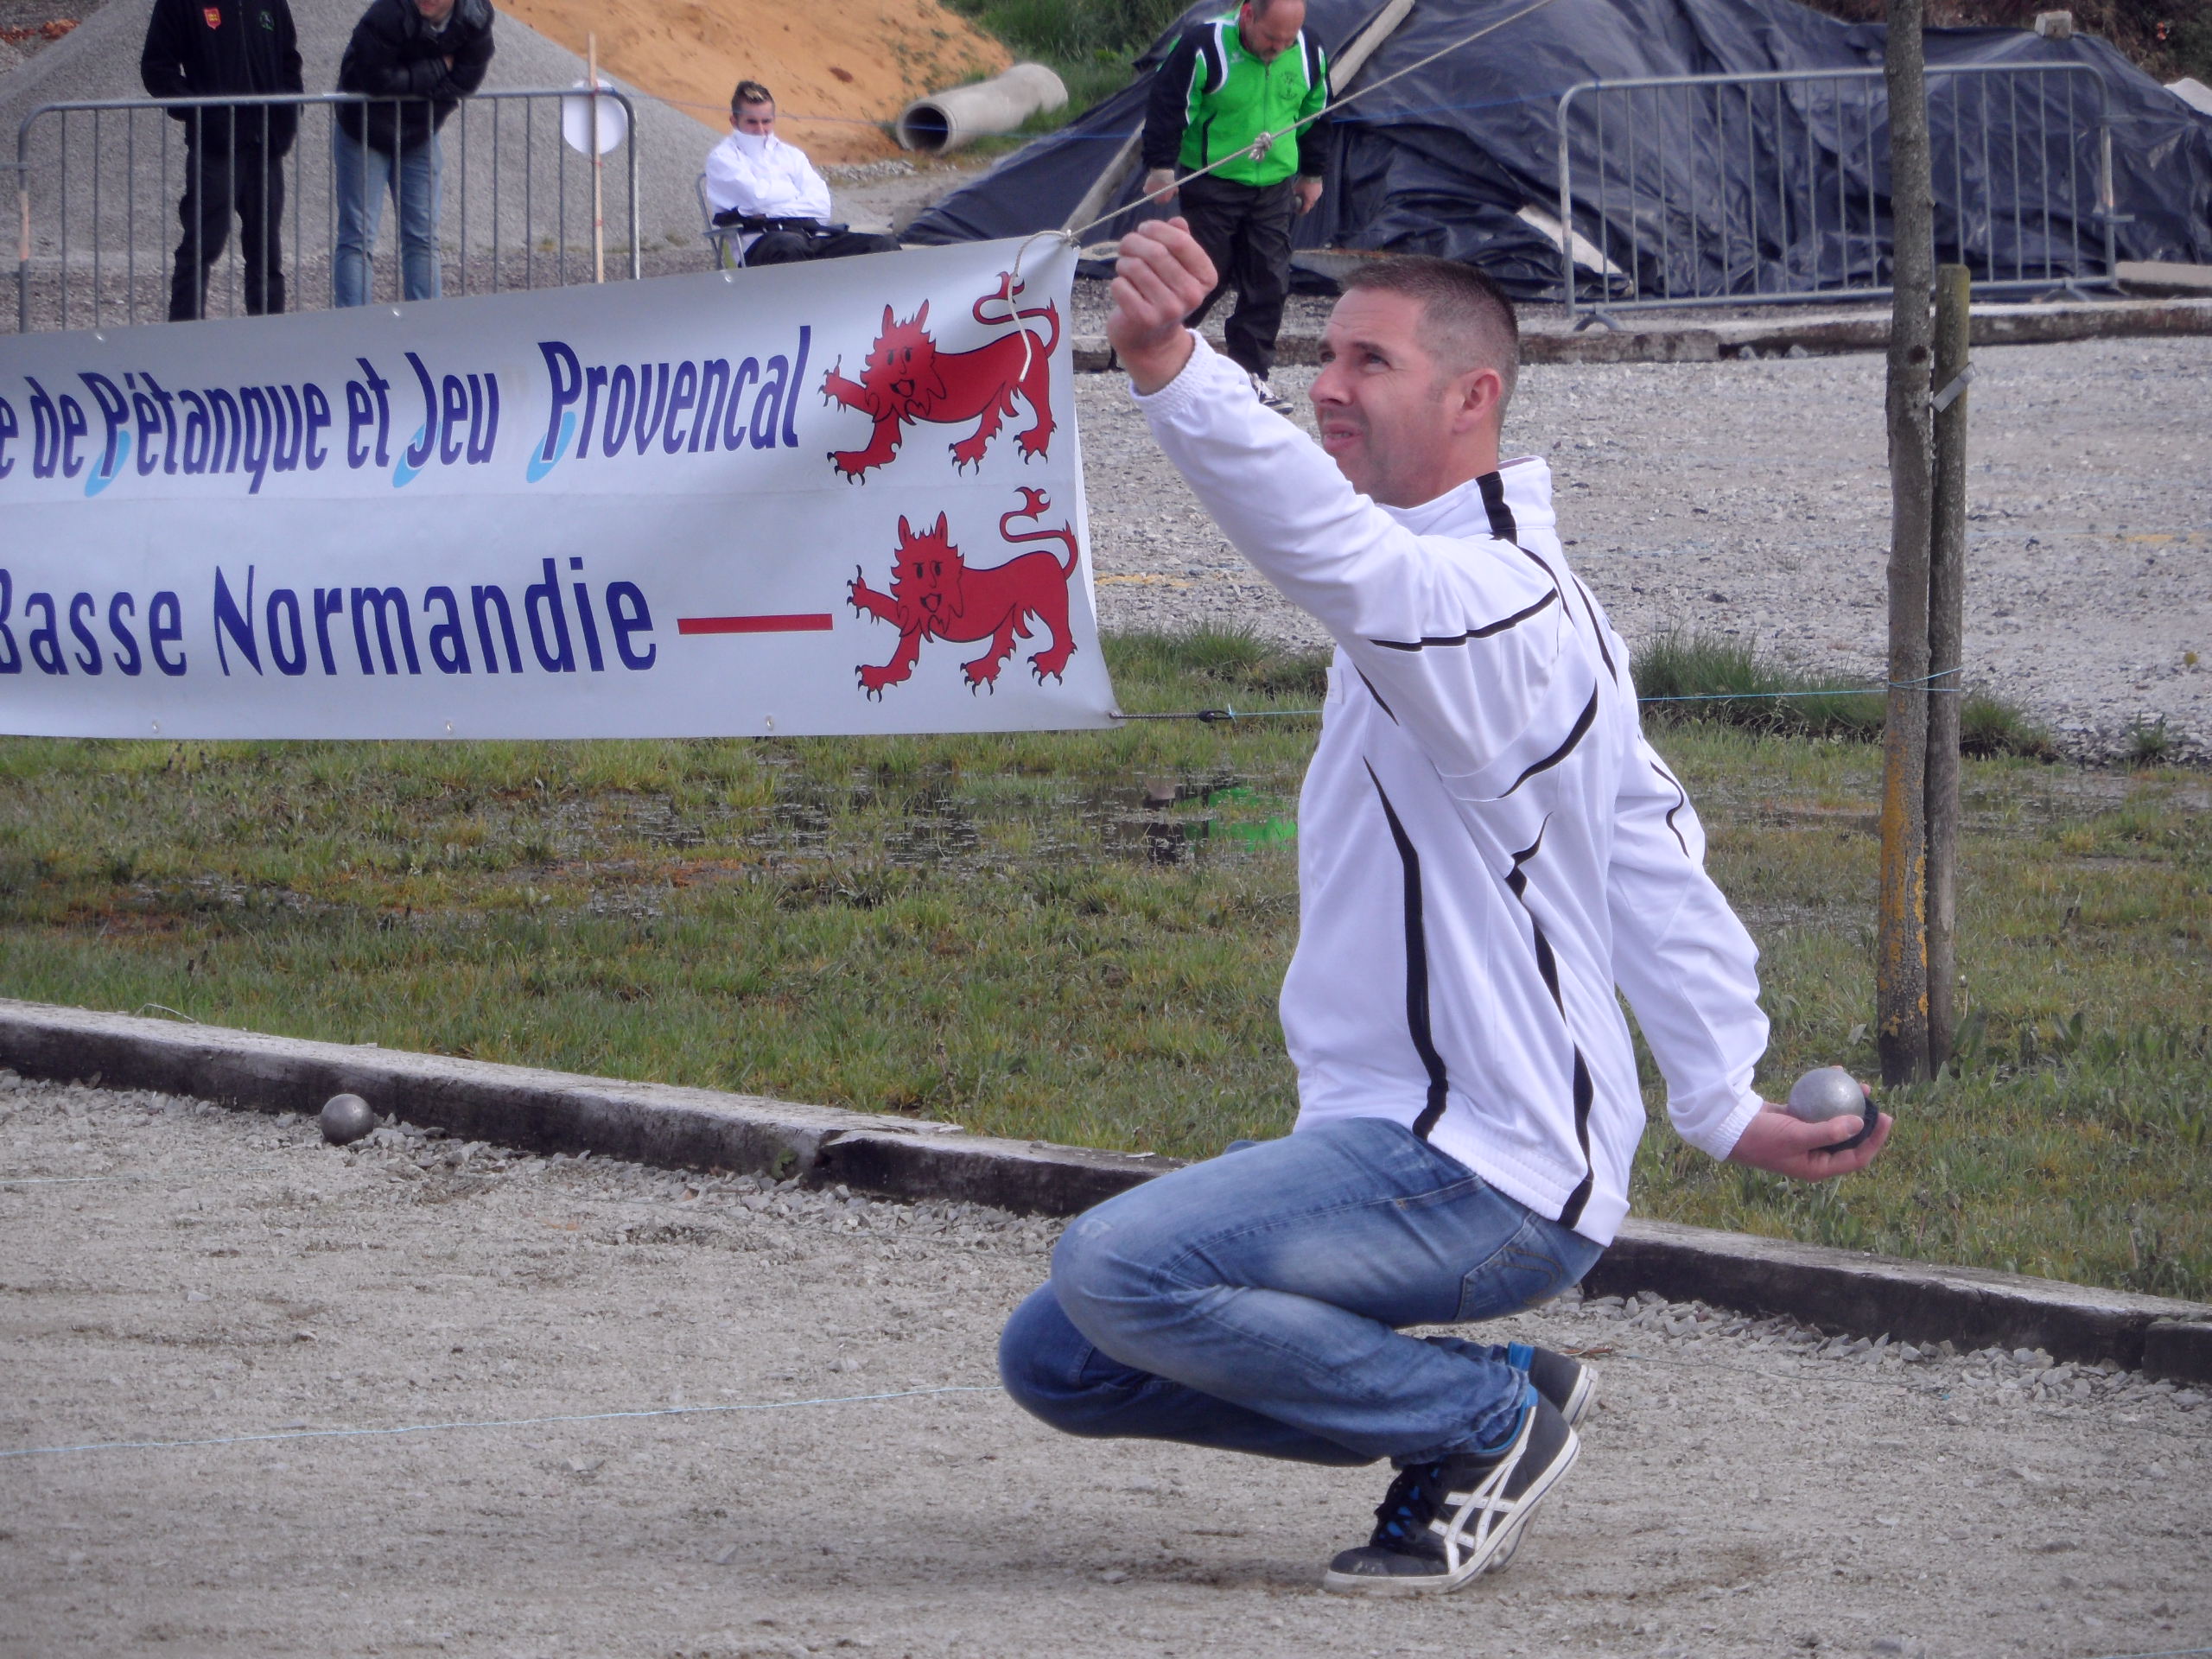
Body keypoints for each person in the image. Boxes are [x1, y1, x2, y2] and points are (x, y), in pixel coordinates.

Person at [997, 220, 1894, 1597]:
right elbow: (1648, 842)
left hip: (1485, 1169)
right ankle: (1493, 1396)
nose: (1331, 384)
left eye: (1372, 359)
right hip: (1402, 1138)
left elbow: (1341, 560)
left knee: (1120, 1271)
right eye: (1324, 354)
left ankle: (1479, 1428)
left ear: (1474, 397)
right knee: (1057, 1353)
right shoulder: (1491, 594)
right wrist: (1724, 1096)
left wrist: (1173, 366)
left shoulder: (1491, 601)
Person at [1140, 0, 1327, 414]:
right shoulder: (1203, 45)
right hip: (1213, 181)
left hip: (1274, 183)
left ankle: (1251, 375)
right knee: (1207, 274)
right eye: (1270, 38)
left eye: (1286, 40)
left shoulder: (1309, 50)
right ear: (1247, 15)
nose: (1277, 49)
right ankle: (1156, 350)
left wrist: (1312, 174)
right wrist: (1160, 166)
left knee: (1269, 279)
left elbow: (1313, 115)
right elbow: (1169, 105)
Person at [140, 0, 303, 321]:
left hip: (265, 146)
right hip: (215, 150)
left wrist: (286, 120)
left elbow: (289, 62)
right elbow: (157, 67)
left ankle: (270, 340)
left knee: (267, 253)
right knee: (201, 248)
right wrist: (202, 114)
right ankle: (185, 338)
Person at [332, 0, 495, 308]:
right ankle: (351, 330)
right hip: (364, 128)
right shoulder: (387, 13)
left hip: (420, 131)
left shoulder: (475, 16)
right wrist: (437, 69)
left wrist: (423, 101)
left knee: (423, 238)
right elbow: (375, 80)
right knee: (357, 238)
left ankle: (426, 330)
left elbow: (465, 81)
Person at [702, 81, 899, 267]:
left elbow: (821, 206)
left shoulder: (791, 155)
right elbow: (757, 199)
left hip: (809, 236)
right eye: (752, 122)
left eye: (766, 121)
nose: (761, 130)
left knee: (882, 245)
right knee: (789, 247)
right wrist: (793, 194)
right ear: (734, 121)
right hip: (758, 245)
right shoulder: (723, 159)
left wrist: (769, 212)